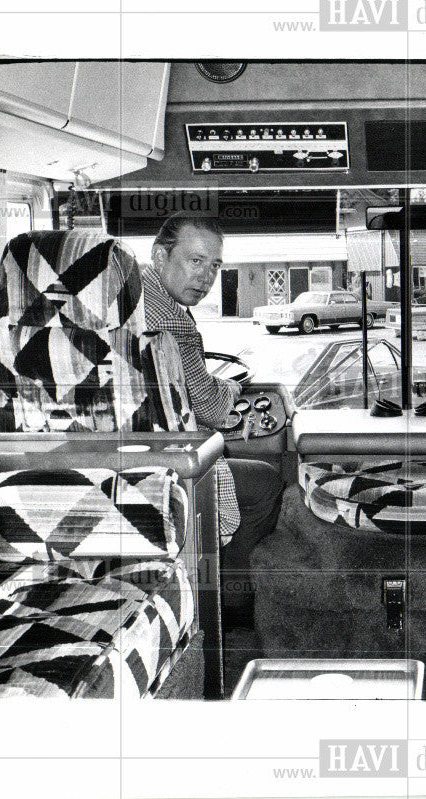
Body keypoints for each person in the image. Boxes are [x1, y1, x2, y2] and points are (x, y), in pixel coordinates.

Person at [142, 213, 283, 627]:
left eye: (215, 266)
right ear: (160, 256)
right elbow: (211, 408)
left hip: (132, 451)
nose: (206, 277)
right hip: (166, 467)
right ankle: (228, 603)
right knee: (266, 482)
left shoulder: (135, 297)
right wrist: (231, 391)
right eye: (195, 261)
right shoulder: (170, 319)